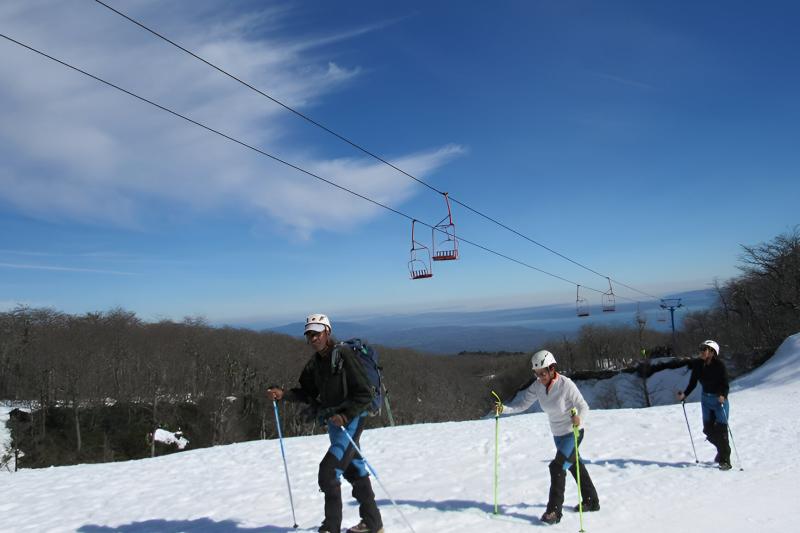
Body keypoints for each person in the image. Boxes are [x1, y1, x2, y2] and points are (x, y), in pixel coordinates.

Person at [267, 313, 383, 533]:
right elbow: (307, 392)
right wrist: (283, 394)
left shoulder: (345, 355)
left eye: (317, 333)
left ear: (327, 332)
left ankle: (331, 528)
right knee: (354, 469)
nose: (313, 339)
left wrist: (346, 416)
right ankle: (373, 524)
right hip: (335, 423)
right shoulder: (316, 363)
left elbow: (365, 393)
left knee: (328, 472)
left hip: (351, 421)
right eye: (309, 334)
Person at [497, 350, 600, 525]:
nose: (540, 377)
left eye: (543, 373)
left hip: (573, 432)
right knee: (575, 465)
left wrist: (579, 418)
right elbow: (522, 405)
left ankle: (554, 512)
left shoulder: (565, 384)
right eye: (536, 374)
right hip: (558, 435)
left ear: (552, 369)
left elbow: (583, 406)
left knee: (557, 467)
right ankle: (592, 501)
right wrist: (504, 409)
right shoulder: (537, 386)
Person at [676, 339, 731, 470]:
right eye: (701, 349)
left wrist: (723, 395)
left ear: (712, 352)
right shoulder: (698, 365)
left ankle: (725, 460)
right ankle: (722, 451)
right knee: (708, 430)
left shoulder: (719, 365)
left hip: (719, 400)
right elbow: (693, 382)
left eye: (704, 349)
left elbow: (725, 383)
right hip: (705, 400)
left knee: (722, 431)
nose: (701, 352)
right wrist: (685, 394)